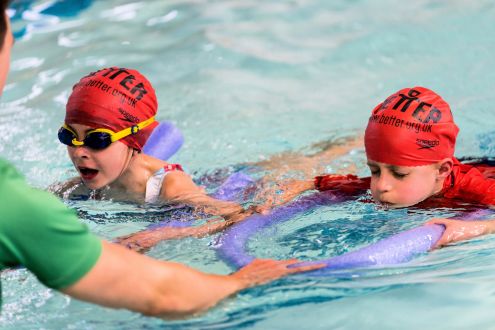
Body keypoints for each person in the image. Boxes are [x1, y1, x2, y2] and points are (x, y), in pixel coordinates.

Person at [0, 2, 322, 318]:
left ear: (135, 139)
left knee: (304, 162)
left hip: (223, 186)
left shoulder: (167, 185)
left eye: (97, 139)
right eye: (68, 136)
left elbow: (239, 214)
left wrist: (159, 234)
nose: (79, 150)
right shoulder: (81, 185)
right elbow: (37, 208)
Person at [257, 87, 495, 248]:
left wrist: (477, 228)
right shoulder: (406, 178)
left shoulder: (476, 188)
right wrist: (306, 184)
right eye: (374, 170)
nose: (381, 186)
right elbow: (354, 185)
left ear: (442, 171)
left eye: (399, 174)